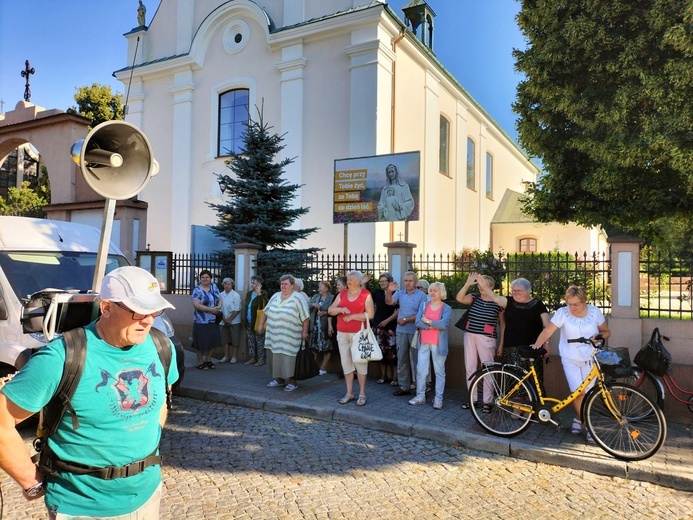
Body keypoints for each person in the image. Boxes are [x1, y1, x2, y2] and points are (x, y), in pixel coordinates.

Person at [0, 266, 178, 517]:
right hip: (82, 508)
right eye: (139, 311)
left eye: (154, 310)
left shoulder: (161, 346)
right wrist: (32, 482)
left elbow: (161, 401)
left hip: (147, 496)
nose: (149, 319)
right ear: (106, 308)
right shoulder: (61, 357)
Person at [531, 285, 610, 443]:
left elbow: (607, 332)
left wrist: (599, 336)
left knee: (587, 393)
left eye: (575, 304)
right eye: (569, 303)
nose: (572, 308)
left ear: (583, 301)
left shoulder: (594, 312)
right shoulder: (562, 313)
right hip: (570, 358)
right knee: (578, 392)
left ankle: (578, 419)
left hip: (590, 357)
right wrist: (536, 345)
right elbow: (548, 330)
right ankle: (588, 426)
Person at [456, 272, 507, 411]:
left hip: (487, 338)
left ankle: (487, 401)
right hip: (470, 335)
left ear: (491, 286)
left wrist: (501, 343)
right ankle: (472, 399)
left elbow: (503, 324)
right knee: (470, 367)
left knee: (488, 368)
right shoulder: (475, 298)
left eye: (483, 285)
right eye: (479, 285)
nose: (480, 287)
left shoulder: (498, 302)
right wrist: (467, 283)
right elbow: (459, 298)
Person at [328, 270, 375, 406]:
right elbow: (331, 310)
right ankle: (349, 393)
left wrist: (353, 316)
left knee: (360, 362)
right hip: (342, 333)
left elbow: (370, 314)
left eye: (351, 279)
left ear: (359, 281)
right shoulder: (342, 294)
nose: (348, 282)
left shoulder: (366, 294)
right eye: (348, 279)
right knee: (346, 363)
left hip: (359, 333)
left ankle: (362, 393)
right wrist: (339, 309)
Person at [258, 274, 309, 392]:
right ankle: (279, 379)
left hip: (290, 337)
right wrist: (261, 324)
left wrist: (305, 331)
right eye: (282, 284)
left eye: (286, 284)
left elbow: (305, 317)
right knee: (276, 357)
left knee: (289, 357)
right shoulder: (275, 296)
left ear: (292, 285)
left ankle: (292, 381)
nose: (283, 286)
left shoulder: (298, 298)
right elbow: (266, 311)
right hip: (274, 336)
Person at [498, 278, 550, 394]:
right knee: (514, 381)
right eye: (513, 290)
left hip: (533, 348)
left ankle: (531, 410)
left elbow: (547, 326)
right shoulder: (508, 302)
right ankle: (516, 410)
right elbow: (493, 297)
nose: (515, 293)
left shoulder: (538, 304)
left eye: (519, 291)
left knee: (535, 380)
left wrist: (547, 345)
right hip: (511, 348)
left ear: (528, 290)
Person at [385, 271, 427, 396]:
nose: (407, 283)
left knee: (417, 360)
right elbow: (389, 302)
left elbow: (422, 314)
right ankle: (404, 387)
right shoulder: (400, 293)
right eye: (405, 281)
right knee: (402, 359)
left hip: (415, 332)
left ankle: (420, 388)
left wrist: (406, 319)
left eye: (410, 281)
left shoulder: (421, 295)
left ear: (415, 282)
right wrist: (389, 291)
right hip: (401, 331)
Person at [410, 282, 452, 409]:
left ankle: (438, 399)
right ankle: (420, 396)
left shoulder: (446, 308)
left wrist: (428, 321)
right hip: (424, 341)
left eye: (436, 291)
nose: (433, 293)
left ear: (441, 293)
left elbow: (444, 324)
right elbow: (418, 322)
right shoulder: (424, 305)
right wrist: (433, 325)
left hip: (438, 344)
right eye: (431, 290)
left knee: (439, 372)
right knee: (421, 370)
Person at [372, 273, 399, 385]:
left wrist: (387, 320)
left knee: (392, 352)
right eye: (380, 281)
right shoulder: (377, 293)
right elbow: (365, 298)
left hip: (391, 326)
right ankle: (383, 376)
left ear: (390, 282)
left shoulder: (396, 293)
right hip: (378, 325)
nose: (382, 283)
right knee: (381, 351)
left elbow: (398, 310)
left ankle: (395, 378)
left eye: (384, 281)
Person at [192, 269, 221, 370]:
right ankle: (200, 361)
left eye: (207, 277)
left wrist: (218, 307)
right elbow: (196, 305)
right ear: (200, 279)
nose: (205, 279)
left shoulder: (214, 287)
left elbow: (220, 298)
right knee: (200, 342)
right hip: (201, 321)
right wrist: (211, 310)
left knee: (213, 342)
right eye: (203, 277)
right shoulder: (197, 290)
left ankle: (208, 360)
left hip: (213, 320)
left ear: (210, 279)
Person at [308, 281, 335, 375]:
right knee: (313, 347)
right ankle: (315, 367)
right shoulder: (316, 296)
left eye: (321, 287)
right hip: (315, 327)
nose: (319, 289)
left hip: (325, 326)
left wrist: (325, 312)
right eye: (319, 287)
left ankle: (324, 368)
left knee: (327, 347)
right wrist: (312, 305)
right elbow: (308, 305)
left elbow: (334, 310)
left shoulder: (331, 297)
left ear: (327, 288)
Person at [243, 275, 268, 366]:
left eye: (254, 283)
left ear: (259, 285)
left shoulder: (263, 293)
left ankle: (261, 359)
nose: (252, 285)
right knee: (251, 340)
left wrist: (259, 294)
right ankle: (253, 357)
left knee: (260, 340)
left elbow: (264, 306)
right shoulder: (249, 294)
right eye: (252, 283)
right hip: (249, 322)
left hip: (258, 322)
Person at [219, 277, 242, 363]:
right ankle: (226, 356)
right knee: (224, 339)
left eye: (229, 284)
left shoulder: (236, 295)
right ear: (223, 285)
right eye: (225, 284)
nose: (227, 286)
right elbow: (219, 308)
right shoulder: (220, 295)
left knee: (234, 339)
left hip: (234, 321)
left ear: (232, 285)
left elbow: (237, 309)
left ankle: (234, 356)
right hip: (223, 320)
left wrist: (230, 319)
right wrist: (225, 319)